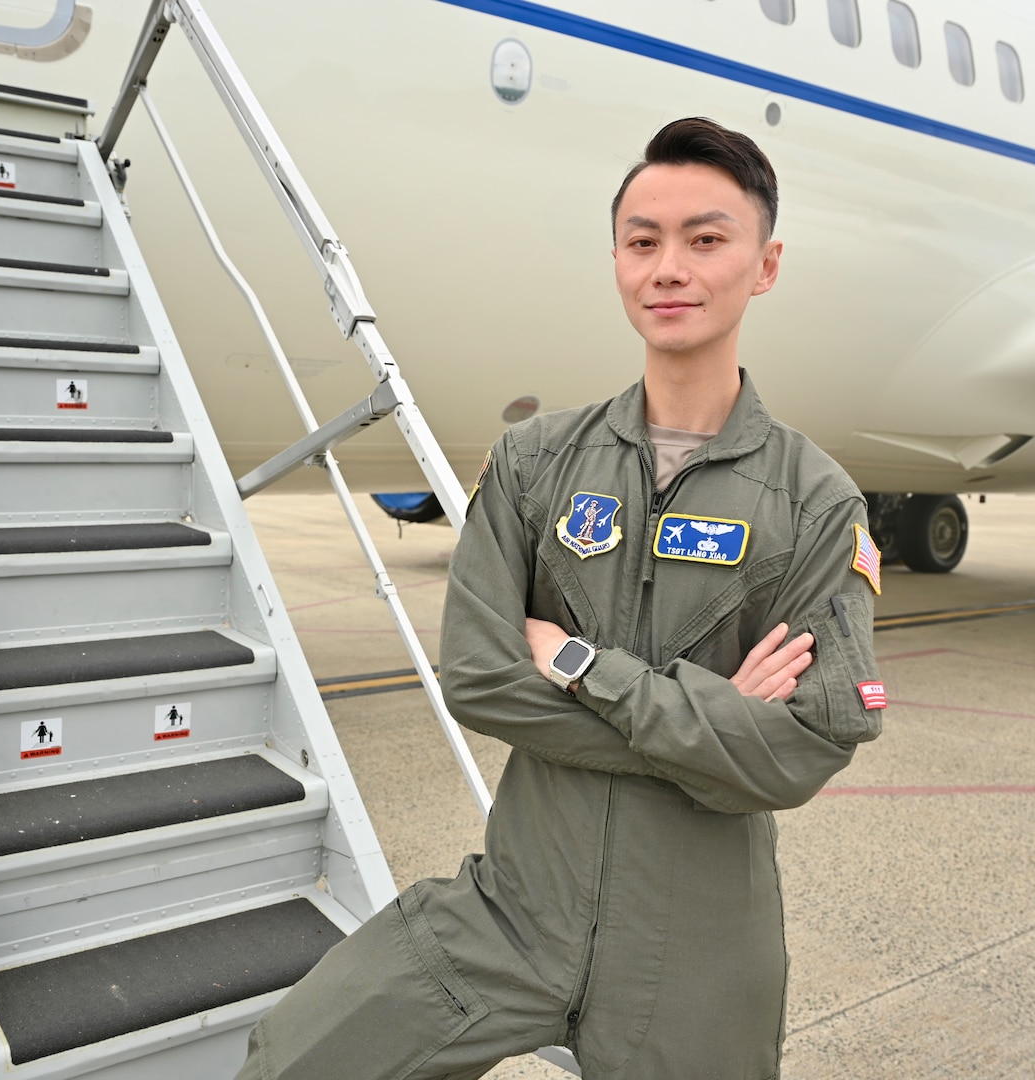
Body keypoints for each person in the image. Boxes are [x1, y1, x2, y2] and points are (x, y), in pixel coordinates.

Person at [236, 117, 884, 1080]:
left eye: (706, 240)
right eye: (641, 242)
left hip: (697, 951)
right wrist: (713, 718)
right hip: (513, 913)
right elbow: (481, 680)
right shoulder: (538, 464)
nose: (669, 267)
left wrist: (585, 666)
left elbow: (799, 750)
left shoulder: (815, 500)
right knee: (296, 1058)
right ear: (618, 261)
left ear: (764, 265)